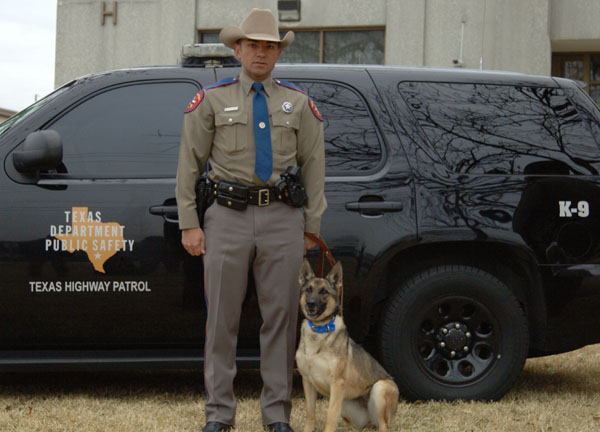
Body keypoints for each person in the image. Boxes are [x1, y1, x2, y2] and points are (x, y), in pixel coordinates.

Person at [175, 8, 326, 432]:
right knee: (221, 320)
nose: (261, 53)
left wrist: (311, 226)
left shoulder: (299, 104)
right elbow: (189, 164)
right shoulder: (212, 100)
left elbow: (314, 168)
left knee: (281, 321)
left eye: (269, 46)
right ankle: (220, 415)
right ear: (238, 49)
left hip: (282, 218)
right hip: (227, 218)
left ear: (278, 53)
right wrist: (190, 221)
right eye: (253, 45)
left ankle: (277, 415)